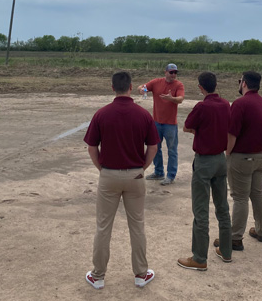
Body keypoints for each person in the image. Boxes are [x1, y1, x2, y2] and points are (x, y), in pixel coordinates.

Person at [84, 71, 160, 290]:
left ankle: (98, 276)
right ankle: (140, 274)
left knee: (103, 227)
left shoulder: (102, 114)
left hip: (108, 175)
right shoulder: (143, 114)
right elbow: (153, 146)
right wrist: (143, 167)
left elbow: (91, 146)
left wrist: (101, 168)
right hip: (135, 175)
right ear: (131, 87)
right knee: (137, 226)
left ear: (112, 88)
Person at [177, 72, 232, 271]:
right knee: (222, 207)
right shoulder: (226, 104)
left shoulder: (202, 106)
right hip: (220, 159)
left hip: (204, 161)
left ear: (201, 87)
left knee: (200, 210)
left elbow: (186, 127)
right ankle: (226, 251)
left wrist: (198, 132)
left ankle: (199, 258)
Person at [215, 71, 262, 251]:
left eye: (239, 81)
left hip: (243, 156)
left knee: (239, 197)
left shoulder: (240, 104)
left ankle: (235, 237)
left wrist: (227, 154)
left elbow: (232, 134)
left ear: (245, 83)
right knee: (257, 193)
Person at [137, 63, 185, 186]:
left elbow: (180, 99)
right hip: (157, 123)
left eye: (175, 72)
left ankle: (170, 175)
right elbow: (142, 87)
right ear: (165, 72)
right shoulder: (156, 82)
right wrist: (142, 90)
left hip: (170, 124)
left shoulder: (179, 85)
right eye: (171, 72)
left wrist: (171, 99)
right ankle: (158, 172)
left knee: (172, 151)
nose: (173, 75)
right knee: (155, 148)